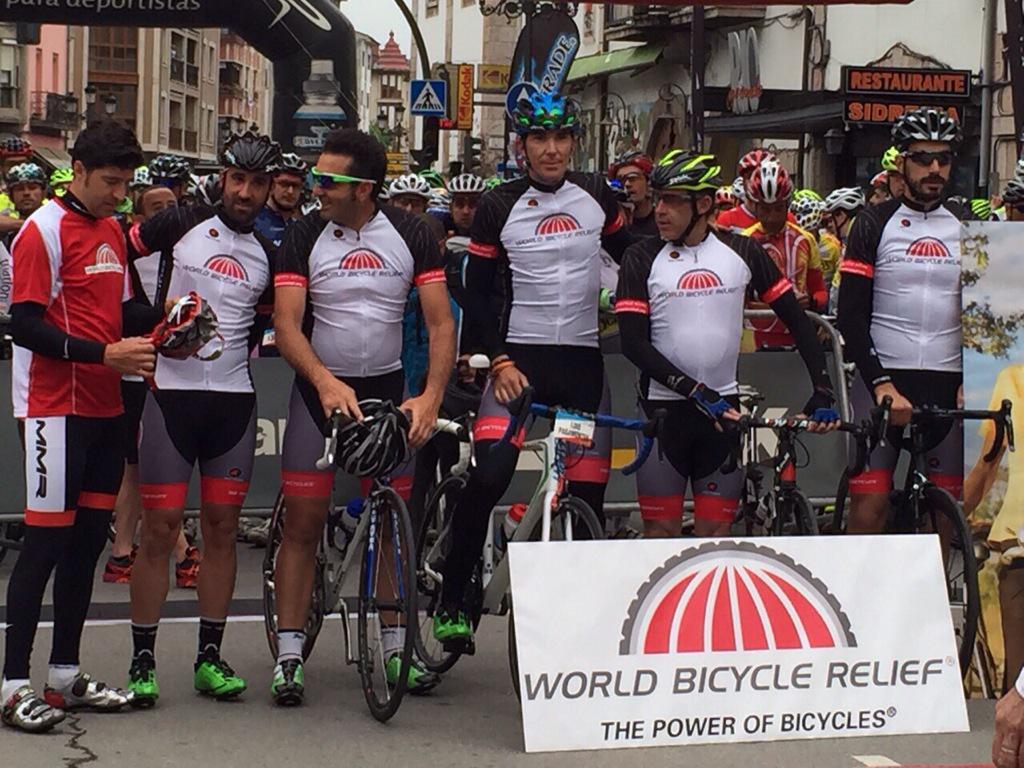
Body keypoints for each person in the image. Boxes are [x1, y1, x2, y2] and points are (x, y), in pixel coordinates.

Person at [432, 91, 634, 653]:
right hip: (519, 363)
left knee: (587, 496)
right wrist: (496, 360)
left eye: (561, 137)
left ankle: (578, 633)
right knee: (490, 476)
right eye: (540, 139)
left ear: (573, 142)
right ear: (522, 146)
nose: (551, 149)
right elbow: (475, 293)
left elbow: (636, 257)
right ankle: (453, 598)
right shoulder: (498, 205)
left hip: (582, 364)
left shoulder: (595, 194)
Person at [271, 127, 455, 705]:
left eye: (328, 180)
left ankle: (397, 646)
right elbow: (285, 326)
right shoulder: (304, 234)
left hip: (387, 392)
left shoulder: (412, 233)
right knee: (303, 524)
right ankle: (289, 655)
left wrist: (429, 398)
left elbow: (440, 324)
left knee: (393, 523)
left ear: (364, 188)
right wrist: (324, 381)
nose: (316, 188)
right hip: (318, 392)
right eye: (315, 176)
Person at [2, 120, 161, 733]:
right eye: (110, 182)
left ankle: (64, 674)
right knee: (45, 546)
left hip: (104, 408)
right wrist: (104, 355)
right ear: (80, 171)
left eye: (126, 185)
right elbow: (24, 325)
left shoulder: (111, 228)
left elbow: (121, 311)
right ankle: (12, 684)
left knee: (88, 543)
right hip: (54, 409)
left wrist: (168, 317)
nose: (119, 195)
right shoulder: (42, 229)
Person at [124, 131, 280, 707]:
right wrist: (155, 318)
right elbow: (113, 274)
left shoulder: (268, 253)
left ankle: (209, 659)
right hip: (171, 396)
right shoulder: (179, 222)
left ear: (268, 189)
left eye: (257, 183)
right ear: (222, 178)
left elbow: (263, 325)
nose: (245, 192)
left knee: (221, 530)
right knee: (160, 530)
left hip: (233, 401)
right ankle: (142, 660)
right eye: (237, 179)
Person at [616, 150, 838, 538]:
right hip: (663, 412)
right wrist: (696, 391)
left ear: (703, 205)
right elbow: (634, 344)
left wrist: (823, 389)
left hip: (723, 412)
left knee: (716, 537)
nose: (660, 210)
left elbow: (797, 321)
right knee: (660, 535)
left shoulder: (743, 251)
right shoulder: (640, 256)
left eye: (672, 200)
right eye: (658, 198)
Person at [837, 107, 965, 534]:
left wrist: (975, 378)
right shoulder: (873, 222)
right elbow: (850, 315)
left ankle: (937, 581)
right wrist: (880, 383)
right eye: (923, 158)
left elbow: (986, 309)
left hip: (948, 379)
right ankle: (858, 580)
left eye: (943, 159)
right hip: (884, 376)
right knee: (870, 504)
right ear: (902, 162)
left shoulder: (968, 224)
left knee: (944, 515)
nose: (935, 169)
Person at [102, 180, 199, 588]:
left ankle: (122, 553)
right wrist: (165, 314)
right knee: (146, 468)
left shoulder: (186, 253)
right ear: (140, 218)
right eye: (157, 208)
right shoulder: (127, 256)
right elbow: (123, 314)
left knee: (137, 469)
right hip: (133, 373)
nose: (168, 215)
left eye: (173, 206)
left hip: (166, 370)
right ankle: (182, 553)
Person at [742, 157, 827, 348]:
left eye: (778, 209)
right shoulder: (744, 241)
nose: (771, 217)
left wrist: (811, 301)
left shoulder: (805, 240)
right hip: (754, 336)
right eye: (765, 209)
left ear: (787, 205)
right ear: (755, 206)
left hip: (797, 334)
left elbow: (820, 291)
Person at [715, 149, 777, 234]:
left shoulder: (786, 218)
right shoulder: (727, 220)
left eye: (761, 176)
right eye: (750, 176)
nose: (755, 181)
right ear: (743, 181)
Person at [254, 153, 309, 247]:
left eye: (296, 186)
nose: (290, 191)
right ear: (271, 184)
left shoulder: (301, 227)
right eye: (284, 184)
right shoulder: (252, 222)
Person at [609, 151, 658, 237]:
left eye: (633, 178)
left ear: (649, 184)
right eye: (621, 180)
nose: (627, 184)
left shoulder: (662, 222)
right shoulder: (611, 224)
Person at [1, 163, 48, 250]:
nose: (26, 193)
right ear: (11, 196)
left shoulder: (56, 216)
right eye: (19, 189)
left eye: (32, 188)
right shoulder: (7, 221)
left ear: (43, 193)